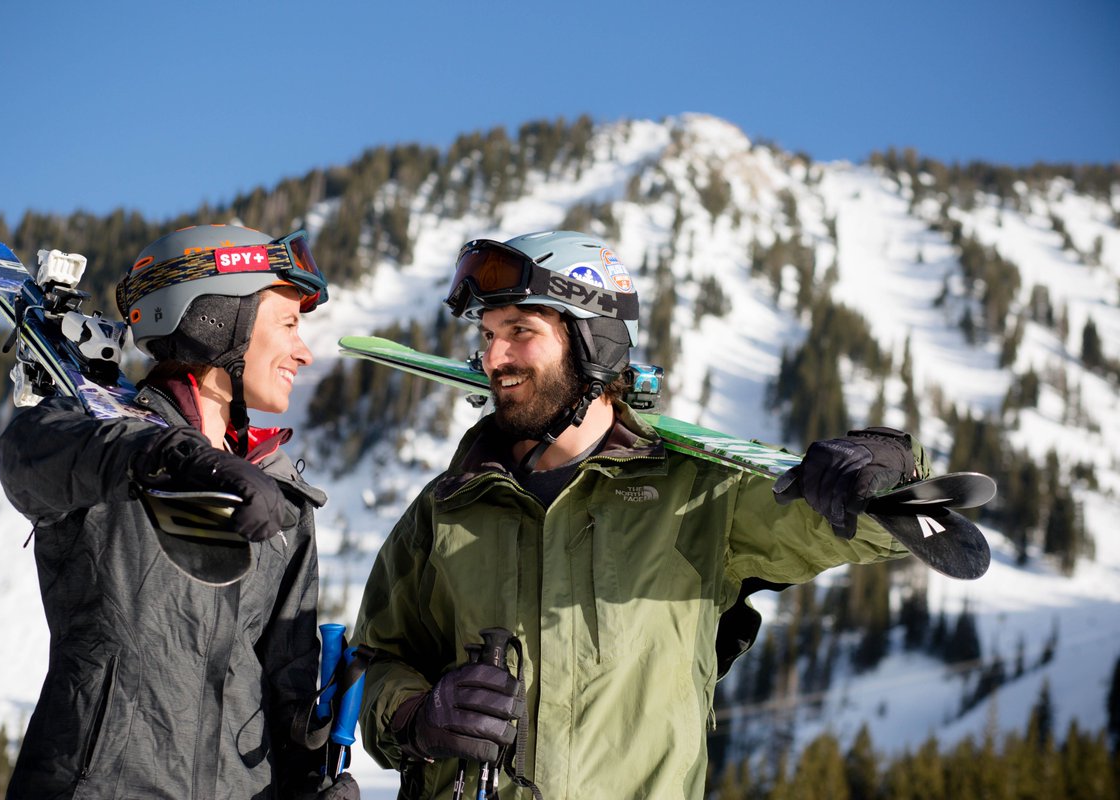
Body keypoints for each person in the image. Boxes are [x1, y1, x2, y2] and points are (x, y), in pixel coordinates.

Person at [352, 230, 930, 799]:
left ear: (592, 343)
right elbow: (377, 657)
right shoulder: (447, 507)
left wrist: (886, 465)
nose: (492, 358)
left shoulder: (699, 498)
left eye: (520, 332)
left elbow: (870, 531)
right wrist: (414, 716)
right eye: (487, 334)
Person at [0, 224, 358, 799]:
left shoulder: (283, 501)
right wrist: (172, 457)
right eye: (288, 323)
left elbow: (286, 694)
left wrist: (304, 788)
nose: (304, 350)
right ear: (218, 319)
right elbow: (26, 455)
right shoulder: (109, 445)